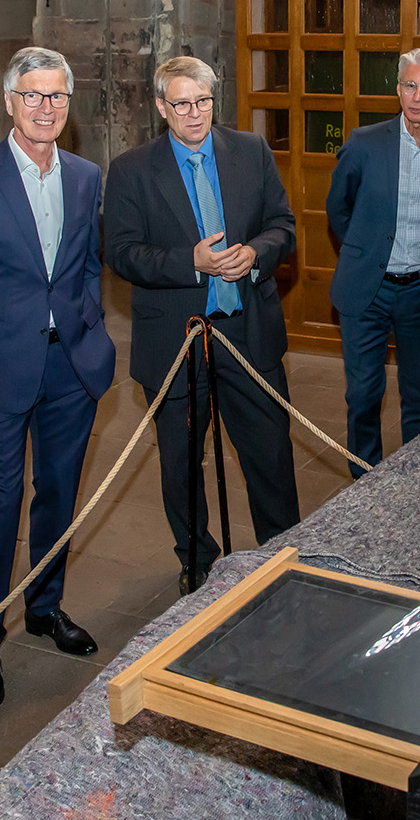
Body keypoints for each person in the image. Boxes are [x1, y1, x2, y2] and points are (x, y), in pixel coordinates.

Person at [0, 47, 115, 710]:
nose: (46, 107)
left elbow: (87, 265)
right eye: (33, 95)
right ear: (9, 101)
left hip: (70, 368)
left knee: (59, 495)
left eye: (57, 96)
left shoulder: (87, 176)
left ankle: (44, 606)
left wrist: (90, 329)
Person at [105, 56, 300, 593]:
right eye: (182, 104)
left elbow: (283, 225)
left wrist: (255, 254)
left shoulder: (251, 151)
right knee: (181, 463)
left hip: (247, 332)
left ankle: (283, 556)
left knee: (270, 454)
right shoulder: (131, 170)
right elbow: (120, 252)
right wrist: (189, 262)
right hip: (176, 336)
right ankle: (198, 562)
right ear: (161, 107)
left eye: (204, 102)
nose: (195, 114)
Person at [326, 48, 420, 477]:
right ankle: (364, 479)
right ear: (398, 89)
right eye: (410, 85)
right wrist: (365, 251)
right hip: (367, 288)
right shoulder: (364, 143)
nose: (417, 96)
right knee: (363, 393)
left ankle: (416, 481)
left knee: (417, 395)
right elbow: (338, 209)